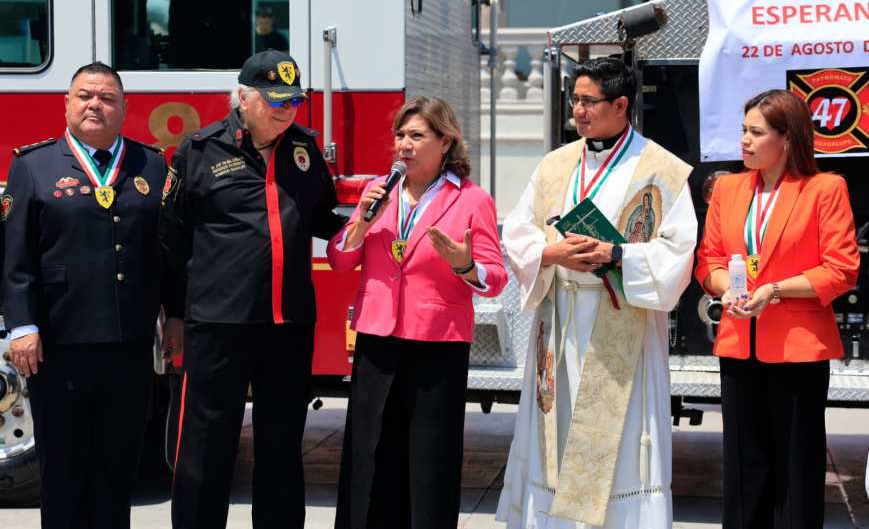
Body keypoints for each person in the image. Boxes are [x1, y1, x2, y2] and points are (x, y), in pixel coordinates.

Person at [496, 57, 697, 528]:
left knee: (623, 441)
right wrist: (552, 254)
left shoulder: (660, 170)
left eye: (589, 102)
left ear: (621, 104)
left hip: (620, 317)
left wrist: (616, 253)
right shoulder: (555, 164)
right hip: (561, 317)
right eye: (575, 100)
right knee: (556, 434)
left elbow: (679, 252)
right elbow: (519, 230)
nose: (578, 112)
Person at [160, 50, 346, 529]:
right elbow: (171, 237)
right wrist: (174, 314)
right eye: (275, 99)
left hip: (287, 326)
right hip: (217, 325)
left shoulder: (304, 151)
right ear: (243, 97)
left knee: (282, 448)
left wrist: (369, 218)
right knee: (206, 448)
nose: (286, 109)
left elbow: (324, 218)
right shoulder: (199, 151)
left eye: (294, 101)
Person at [327, 96, 508, 529]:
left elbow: (495, 275)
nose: (404, 145)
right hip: (378, 337)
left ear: (446, 142)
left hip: (437, 343)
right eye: (400, 135)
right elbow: (338, 259)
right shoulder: (379, 190)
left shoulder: (471, 199)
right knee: (369, 453)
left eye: (417, 136)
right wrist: (362, 224)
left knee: (429, 461)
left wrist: (466, 265)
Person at [3, 62, 166, 529]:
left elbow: (166, 253)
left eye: (107, 97)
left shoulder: (150, 165)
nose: (95, 104)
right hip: (57, 346)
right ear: (68, 104)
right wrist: (23, 326)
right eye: (85, 96)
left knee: (117, 470)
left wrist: (172, 317)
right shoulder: (33, 166)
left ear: (124, 108)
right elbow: (15, 258)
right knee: (63, 470)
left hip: (128, 346)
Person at [695, 89, 859, 529]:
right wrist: (722, 291)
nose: (744, 141)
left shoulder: (825, 189)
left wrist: (775, 290)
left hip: (797, 352)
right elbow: (707, 260)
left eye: (755, 132)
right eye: (742, 131)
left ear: (787, 139)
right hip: (738, 346)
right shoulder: (727, 189)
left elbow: (841, 270)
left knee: (796, 472)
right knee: (743, 473)